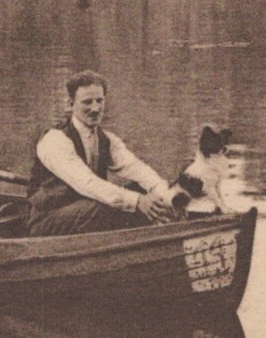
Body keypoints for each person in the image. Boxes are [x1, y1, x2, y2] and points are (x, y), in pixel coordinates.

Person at [27, 70, 174, 236]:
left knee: (141, 188)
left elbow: (137, 169)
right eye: (87, 102)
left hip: (83, 211)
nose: (95, 108)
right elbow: (87, 183)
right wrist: (138, 201)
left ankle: (162, 227)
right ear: (70, 104)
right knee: (109, 205)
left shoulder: (107, 139)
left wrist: (166, 198)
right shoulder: (55, 141)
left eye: (99, 101)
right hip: (47, 221)